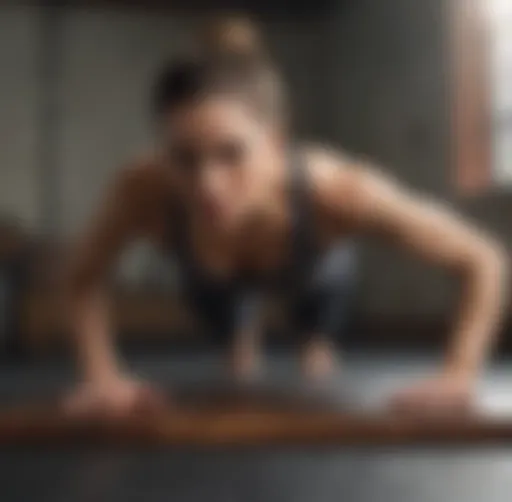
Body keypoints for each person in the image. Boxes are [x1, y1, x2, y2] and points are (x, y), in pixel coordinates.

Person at [63, 17, 508, 418]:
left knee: (322, 299)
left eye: (231, 154)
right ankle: (240, 335)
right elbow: (84, 279)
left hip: (311, 271)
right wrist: (101, 377)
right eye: (184, 159)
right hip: (211, 281)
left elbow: (483, 259)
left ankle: (314, 339)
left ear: (275, 141)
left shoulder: (337, 188)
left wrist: (459, 372)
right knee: (225, 323)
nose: (207, 185)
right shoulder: (143, 187)